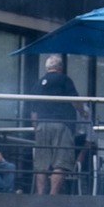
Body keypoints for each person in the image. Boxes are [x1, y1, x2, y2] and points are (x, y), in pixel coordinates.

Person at [29, 55, 86, 195]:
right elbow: (75, 99)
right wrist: (83, 112)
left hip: (42, 125)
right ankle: (53, 196)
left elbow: (33, 109)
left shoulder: (39, 83)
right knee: (60, 163)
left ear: (47, 68)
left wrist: (36, 126)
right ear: (60, 67)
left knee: (41, 164)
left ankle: (40, 196)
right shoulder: (65, 80)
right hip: (62, 124)